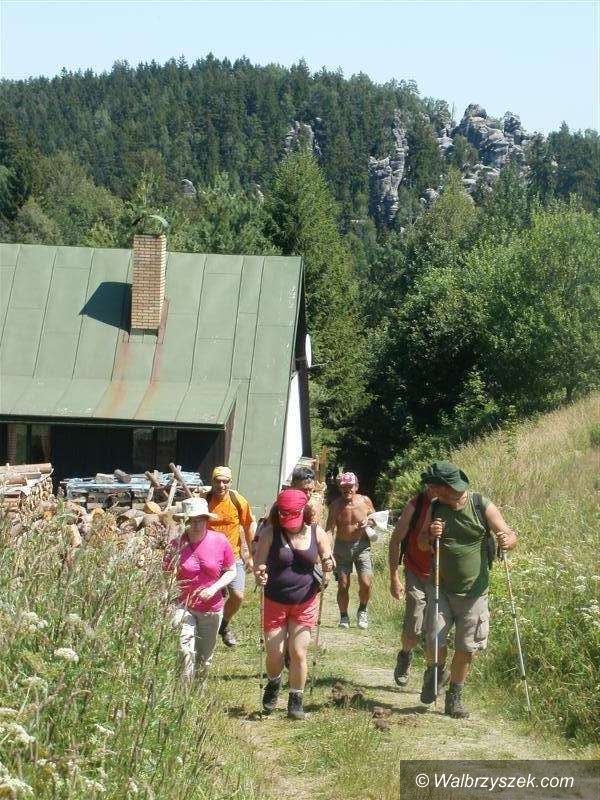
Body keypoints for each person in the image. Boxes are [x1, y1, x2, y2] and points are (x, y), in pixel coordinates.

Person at [417, 461, 517, 719]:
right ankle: (435, 673)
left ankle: (455, 698)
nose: (430, 490)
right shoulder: (435, 507)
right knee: (434, 639)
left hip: (474, 593)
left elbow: (508, 534)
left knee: (466, 647)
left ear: (445, 487)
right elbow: (421, 543)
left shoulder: (481, 505)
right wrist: (430, 534)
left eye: (433, 486)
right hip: (440, 588)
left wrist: (506, 540)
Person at [254, 488, 334, 720]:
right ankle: (274, 682)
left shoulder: (317, 532)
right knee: (275, 654)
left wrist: (328, 563)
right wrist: (260, 573)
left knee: (298, 652)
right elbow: (259, 563)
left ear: (303, 512)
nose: (289, 524)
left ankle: (295, 701)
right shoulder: (270, 533)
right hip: (274, 601)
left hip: (305, 601)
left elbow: (328, 557)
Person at [163, 497, 237, 686]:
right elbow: (167, 574)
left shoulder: (220, 541)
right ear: (185, 521)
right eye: (192, 520)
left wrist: (214, 588)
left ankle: (197, 695)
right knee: (184, 650)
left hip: (211, 608)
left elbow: (231, 570)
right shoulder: (176, 545)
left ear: (207, 520)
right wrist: (169, 594)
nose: (196, 525)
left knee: (204, 659)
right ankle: (183, 692)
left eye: (200, 520)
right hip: (183, 606)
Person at [388, 481, 436, 686]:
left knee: (435, 627)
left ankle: (432, 672)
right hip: (415, 569)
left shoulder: (452, 505)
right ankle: (406, 654)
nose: (435, 490)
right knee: (414, 619)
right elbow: (395, 540)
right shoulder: (415, 505)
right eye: (431, 486)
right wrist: (394, 577)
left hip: (442, 575)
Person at [205, 466, 256, 647]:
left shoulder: (238, 501)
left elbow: (248, 525)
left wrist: (251, 554)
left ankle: (223, 626)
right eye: (217, 481)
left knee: (238, 596)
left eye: (225, 481)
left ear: (230, 482)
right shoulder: (204, 500)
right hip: (209, 559)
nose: (221, 485)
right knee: (210, 599)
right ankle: (206, 633)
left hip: (233, 557)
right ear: (212, 481)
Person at [326, 472, 376, 630]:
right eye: (344, 487)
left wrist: (369, 522)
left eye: (350, 486)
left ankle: (362, 610)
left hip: (362, 546)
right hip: (342, 547)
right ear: (340, 488)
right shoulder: (335, 505)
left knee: (366, 583)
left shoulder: (365, 501)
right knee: (343, 585)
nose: (347, 489)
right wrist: (326, 552)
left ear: (356, 486)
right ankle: (344, 617)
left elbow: (376, 519)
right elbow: (329, 530)